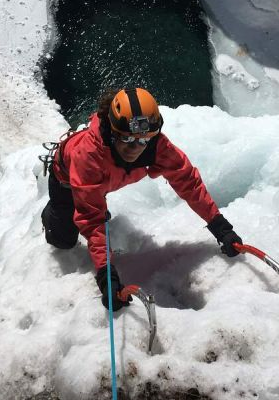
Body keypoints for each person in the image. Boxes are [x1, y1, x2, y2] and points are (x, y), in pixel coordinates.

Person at [42, 87, 242, 310]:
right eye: (126, 138)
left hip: (101, 182)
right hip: (67, 181)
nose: (135, 148)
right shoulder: (89, 156)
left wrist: (219, 226)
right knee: (63, 240)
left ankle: (95, 202)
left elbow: (189, 183)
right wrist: (106, 276)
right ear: (112, 131)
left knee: (97, 207)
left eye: (143, 139)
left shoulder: (156, 146)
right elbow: (91, 220)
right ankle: (51, 214)